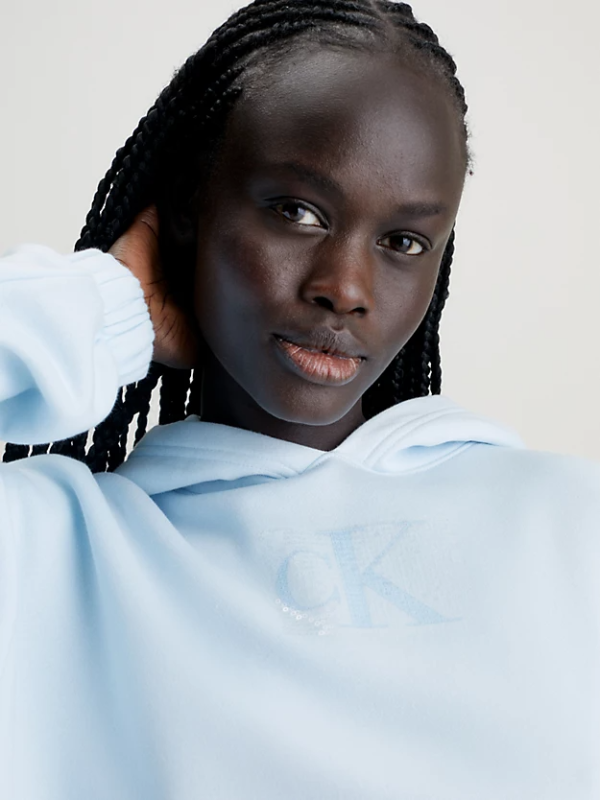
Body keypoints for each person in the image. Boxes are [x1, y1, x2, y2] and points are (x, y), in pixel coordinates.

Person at [1, 0, 598, 797]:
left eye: (403, 242)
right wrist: (101, 308)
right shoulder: (51, 551)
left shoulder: (568, 522)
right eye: (298, 212)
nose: (344, 288)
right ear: (191, 206)